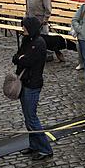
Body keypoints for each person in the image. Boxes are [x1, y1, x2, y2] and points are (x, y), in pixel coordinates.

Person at [14, 17, 53, 160]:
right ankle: (34, 145)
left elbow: (27, 60)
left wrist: (20, 58)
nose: (23, 29)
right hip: (25, 82)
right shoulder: (28, 41)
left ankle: (45, 148)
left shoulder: (38, 43)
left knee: (32, 117)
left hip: (33, 83)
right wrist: (20, 58)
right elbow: (17, 56)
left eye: (25, 27)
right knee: (27, 117)